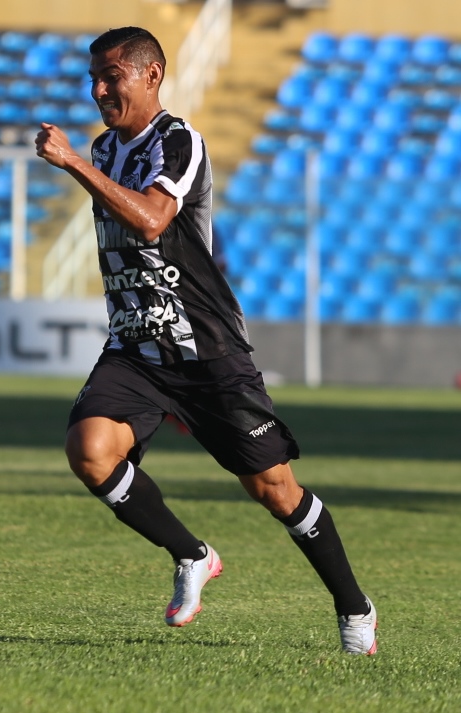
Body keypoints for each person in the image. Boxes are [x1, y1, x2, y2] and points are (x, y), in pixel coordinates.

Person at [34, 27, 377, 655]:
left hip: (206, 346)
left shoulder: (178, 141)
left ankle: (355, 608)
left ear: (152, 75)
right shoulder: (104, 147)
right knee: (89, 449)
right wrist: (86, 159)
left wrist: (74, 165)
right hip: (136, 344)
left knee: (274, 490)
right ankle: (192, 555)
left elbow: (154, 218)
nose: (99, 89)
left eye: (112, 75)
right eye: (94, 78)